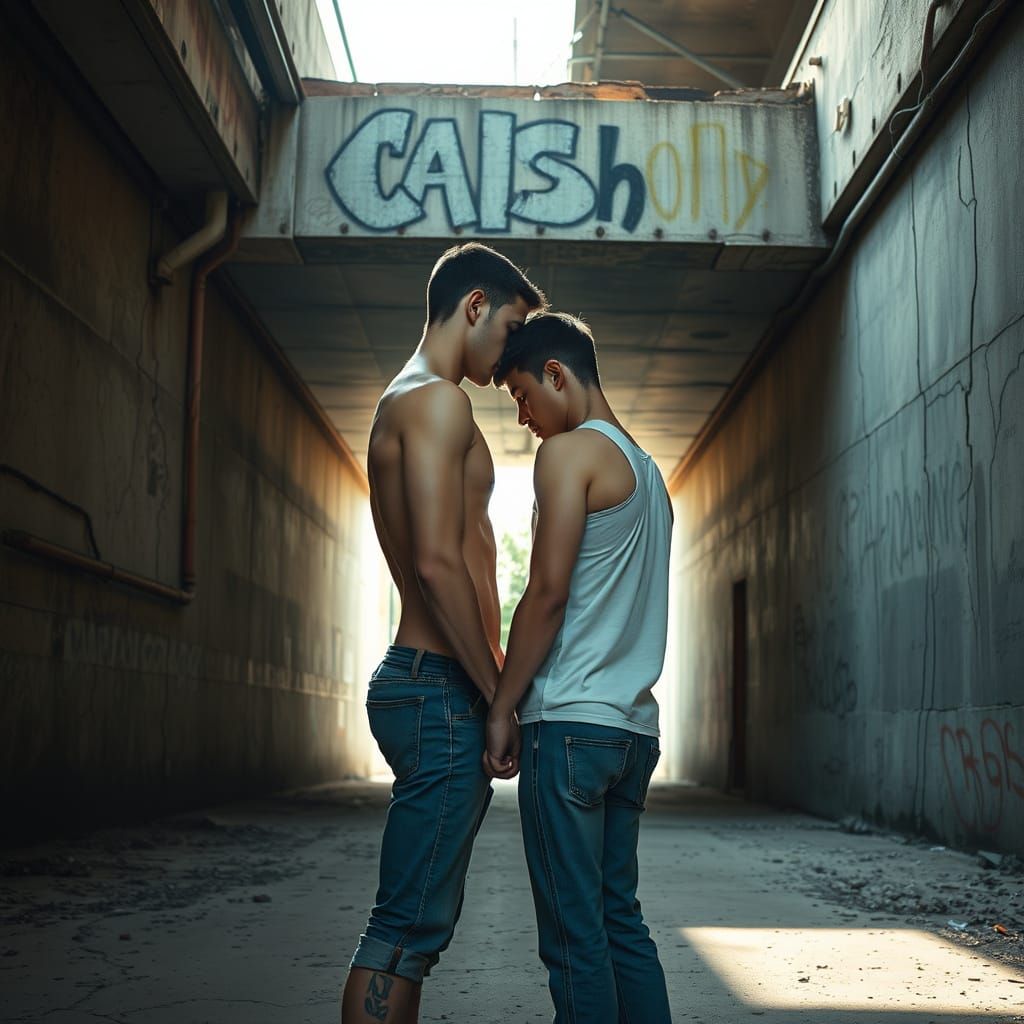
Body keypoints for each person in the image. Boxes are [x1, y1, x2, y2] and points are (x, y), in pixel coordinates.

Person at [341, 243, 546, 1024]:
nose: (512, 352)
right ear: (473, 306)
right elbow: (434, 563)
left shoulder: (407, 399)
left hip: (426, 682)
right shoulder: (435, 401)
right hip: (437, 688)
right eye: (512, 326)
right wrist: (498, 696)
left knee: (409, 930)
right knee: (403, 932)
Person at [485, 311, 673, 1024]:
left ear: (557, 375)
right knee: (619, 919)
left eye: (523, 397)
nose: (525, 417)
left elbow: (548, 592)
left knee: (573, 938)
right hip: (631, 734)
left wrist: (503, 706)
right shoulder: (651, 476)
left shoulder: (569, 456)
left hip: (567, 725)